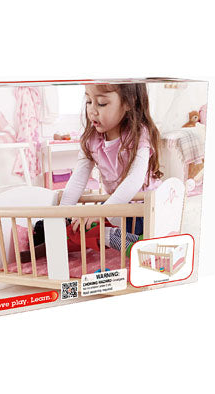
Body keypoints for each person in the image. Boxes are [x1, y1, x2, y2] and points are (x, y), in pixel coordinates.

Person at [21, 83, 162, 262]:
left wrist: (102, 212)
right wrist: (62, 215)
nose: (92, 111)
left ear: (128, 102)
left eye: (101, 103)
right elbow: (78, 179)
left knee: (93, 224)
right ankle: (113, 238)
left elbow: (134, 180)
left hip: (144, 209)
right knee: (81, 225)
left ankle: (129, 241)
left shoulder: (140, 133)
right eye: (88, 101)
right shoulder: (91, 139)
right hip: (117, 209)